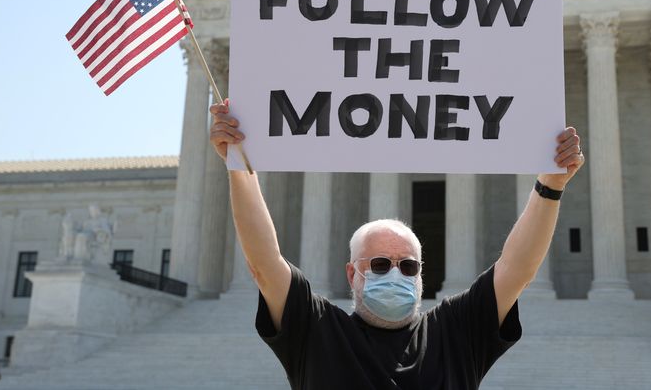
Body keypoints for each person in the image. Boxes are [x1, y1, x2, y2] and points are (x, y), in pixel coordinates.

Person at [209, 100, 585, 390]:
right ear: (351, 272)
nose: (395, 272)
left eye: (407, 266)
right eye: (379, 264)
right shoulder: (318, 330)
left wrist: (549, 187)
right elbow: (263, 263)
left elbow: (517, 269)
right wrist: (238, 167)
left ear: (421, 275)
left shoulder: (454, 333)